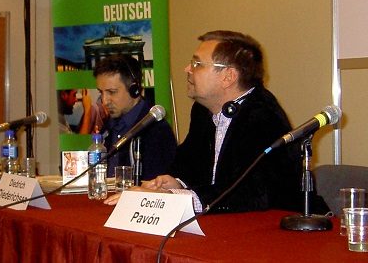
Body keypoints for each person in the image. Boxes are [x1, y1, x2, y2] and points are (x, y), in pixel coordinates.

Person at [105, 30, 321, 214]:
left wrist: (173, 198)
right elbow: (189, 161)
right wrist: (173, 182)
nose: (187, 69)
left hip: (278, 232)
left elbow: (250, 192)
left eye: (197, 64)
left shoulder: (263, 117)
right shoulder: (203, 110)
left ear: (228, 77)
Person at [94, 54, 176, 180]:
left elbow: (158, 187)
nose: (104, 101)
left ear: (134, 89)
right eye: (101, 92)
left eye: (112, 92)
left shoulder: (156, 130)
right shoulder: (108, 128)